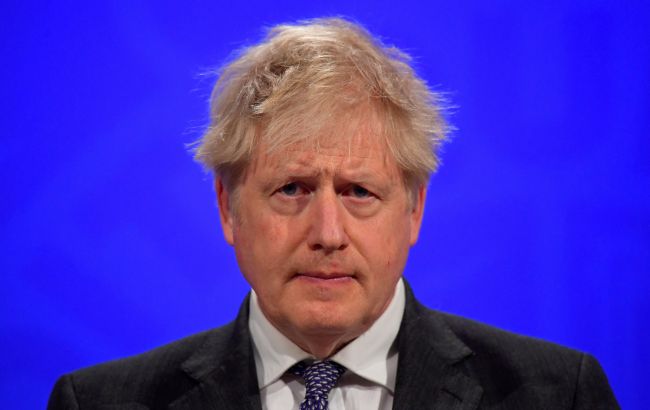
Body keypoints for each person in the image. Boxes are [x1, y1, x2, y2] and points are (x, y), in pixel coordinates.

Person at [48, 17, 619, 409]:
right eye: (292, 188)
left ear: (414, 210)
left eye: (359, 192)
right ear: (227, 207)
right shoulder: (98, 402)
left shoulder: (556, 395)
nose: (327, 233)